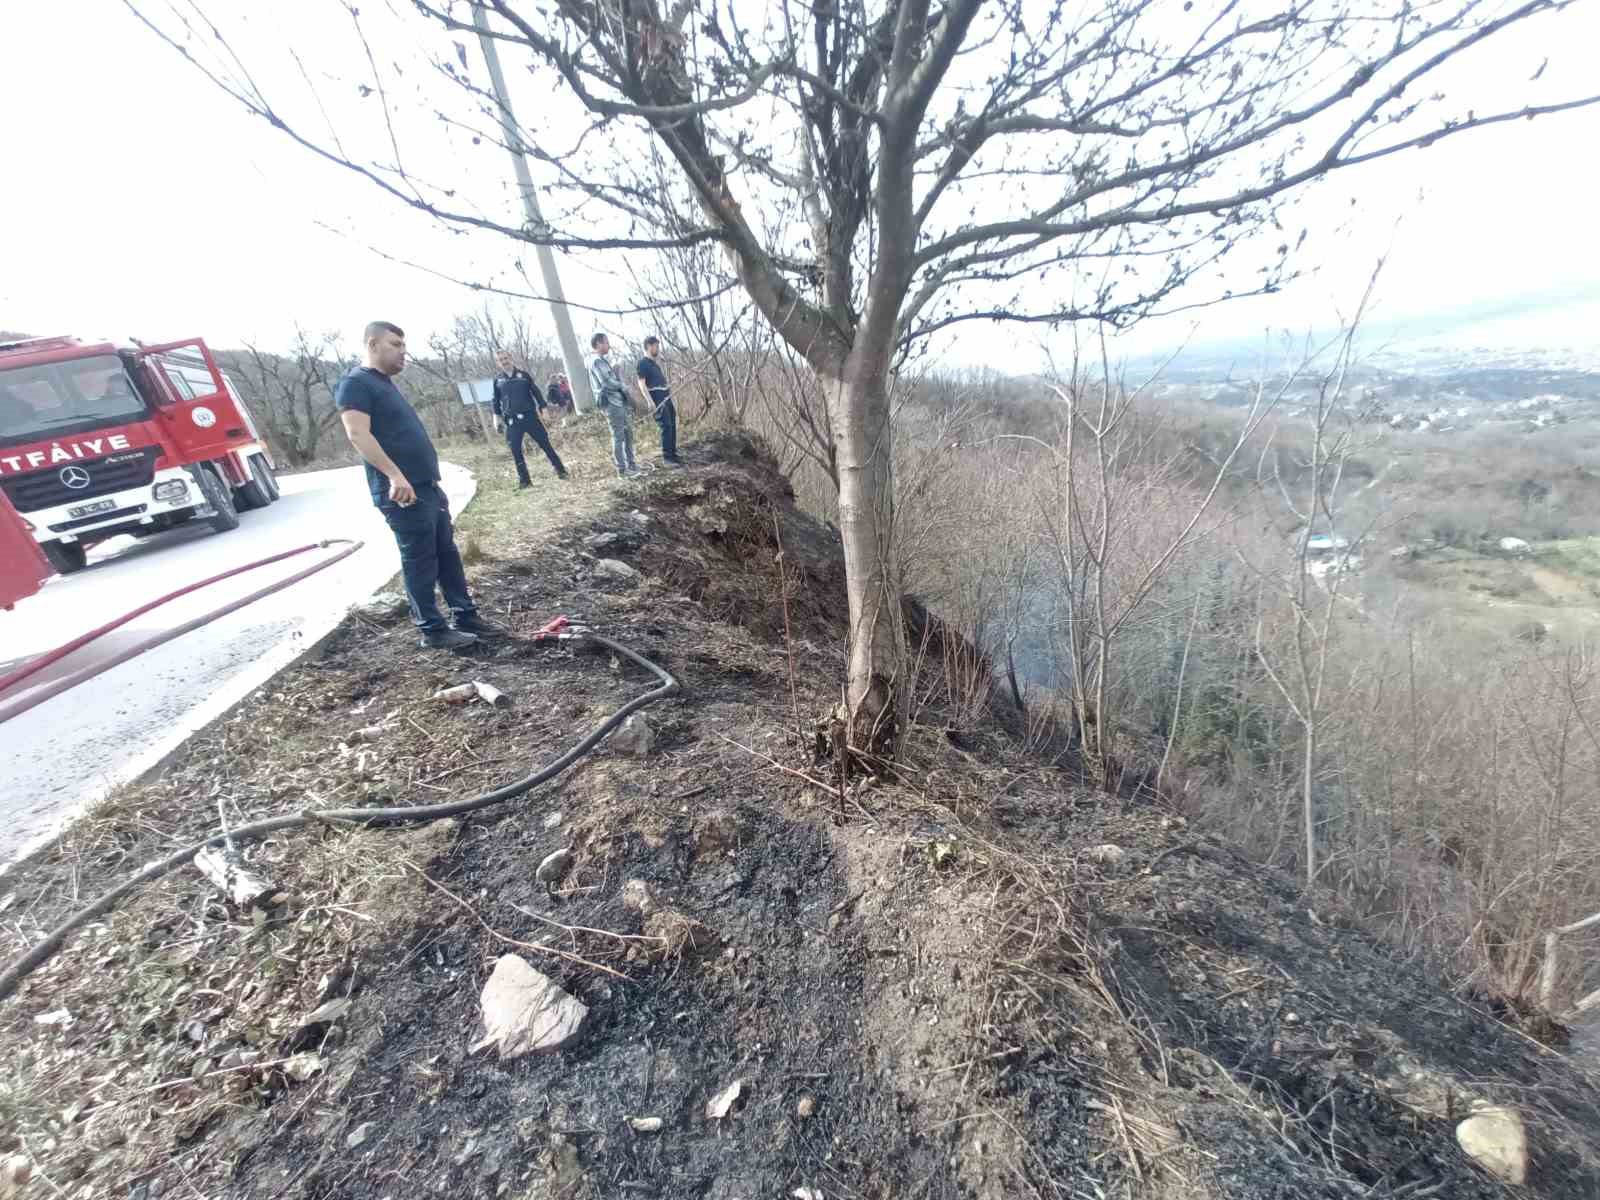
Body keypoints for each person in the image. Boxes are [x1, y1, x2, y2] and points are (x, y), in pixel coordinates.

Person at [336, 320, 503, 651]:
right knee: (420, 559)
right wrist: (395, 475)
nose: (403, 352)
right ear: (372, 344)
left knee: (446, 553)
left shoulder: (385, 384)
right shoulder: (354, 384)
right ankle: (432, 629)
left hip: (426, 486)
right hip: (403, 492)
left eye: (403, 345)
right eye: (395, 344)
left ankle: (465, 615)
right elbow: (357, 434)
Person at [491, 350, 567, 487]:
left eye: (506, 358)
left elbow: (536, 392)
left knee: (545, 444)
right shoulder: (498, 380)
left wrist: (544, 409)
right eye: (501, 359)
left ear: (511, 358)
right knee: (515, 450)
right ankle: (525, 481)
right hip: (512, 421)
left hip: (530, 417)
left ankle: (561, 471)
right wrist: (496, 420)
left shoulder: (523, 376)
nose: (504, 361)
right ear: (498, 362)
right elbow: (495, 401)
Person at [588, 333, 641, 478]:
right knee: (618, 436)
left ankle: (631, 464)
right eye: (606, 342)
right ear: (598, 344)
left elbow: (610, 378)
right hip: (611, 404)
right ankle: (622, 470)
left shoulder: (603, 361)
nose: (608, 345)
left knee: (628, 433)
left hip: (618, 402)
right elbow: (607, 382)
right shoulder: (596, 361)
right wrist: (623, 386)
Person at [635, 336, 681, 466]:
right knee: (665, 426)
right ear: (649, 346)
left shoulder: (654, 364)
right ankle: (668, 458)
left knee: (671, 424)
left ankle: (673, 454)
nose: (658, 349)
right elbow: (641, 384)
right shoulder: (642, 363)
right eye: (656, 346)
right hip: (656, 399)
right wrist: (650, 402)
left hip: (665, 397)